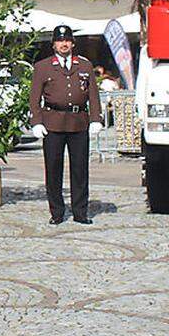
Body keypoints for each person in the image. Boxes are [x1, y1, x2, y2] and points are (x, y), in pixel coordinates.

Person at [29, 25, 104, 225]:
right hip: (52, 123)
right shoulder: (43, 67)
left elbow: (93, 95)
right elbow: (34, 98)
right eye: (60, 41)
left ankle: (80, 212)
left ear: (73, 43)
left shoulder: (84, 66)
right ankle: (57, 212)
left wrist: (96, 118)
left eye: (67, 40)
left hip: (78, 122)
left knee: (80, 170)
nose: (64, 44)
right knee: (53, 170)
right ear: (54, 44)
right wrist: (36, 121)